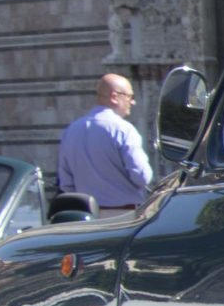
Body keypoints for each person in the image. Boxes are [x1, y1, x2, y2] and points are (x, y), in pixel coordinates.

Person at [55, 72, 152, 213]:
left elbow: (66, 183)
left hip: (86, 215)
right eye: (129, 96)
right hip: (124, 216)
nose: (132, 102)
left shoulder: (71, 130)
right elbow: (142, 177)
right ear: (114, 97)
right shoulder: (124, 130)